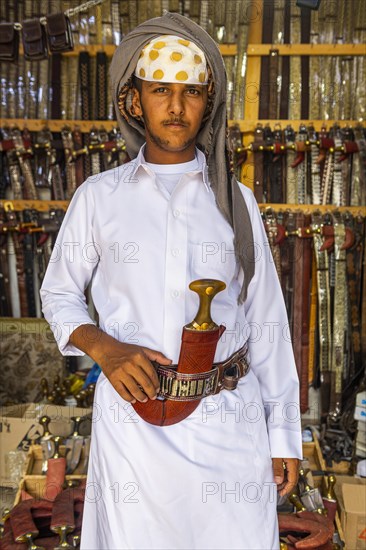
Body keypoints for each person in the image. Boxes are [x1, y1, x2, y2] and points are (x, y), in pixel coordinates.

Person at [40, 12, 302, 550]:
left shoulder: (237, 202)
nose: (177, 107)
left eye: (192, 92)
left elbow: (268, 321)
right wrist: (104, 348)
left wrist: (284, 436)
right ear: (134, 100)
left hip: (228, 422)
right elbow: (58, 292)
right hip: (135, 429)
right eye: (161, 89)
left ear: (209, 102)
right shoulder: (100, 197)